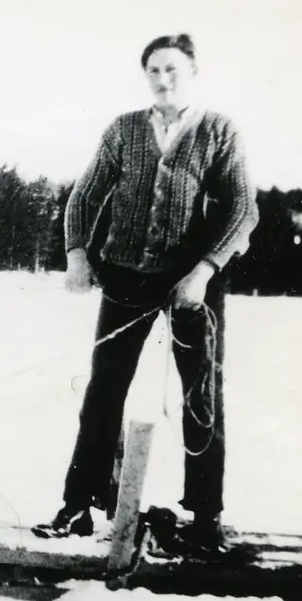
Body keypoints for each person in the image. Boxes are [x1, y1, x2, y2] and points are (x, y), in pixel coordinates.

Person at [33, 33, 258, 552]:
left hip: (192, 286)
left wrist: (204, 269)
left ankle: (205, 517)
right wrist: (76, 254)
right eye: (154, 70)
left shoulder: (220, 132)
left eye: (173, 70)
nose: (163, 80)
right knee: (103, 391)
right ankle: (81, 505)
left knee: (200, 397)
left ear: (193, 72)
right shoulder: (125, 129)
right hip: (126, 279)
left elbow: (242, 211)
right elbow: (85, 195)